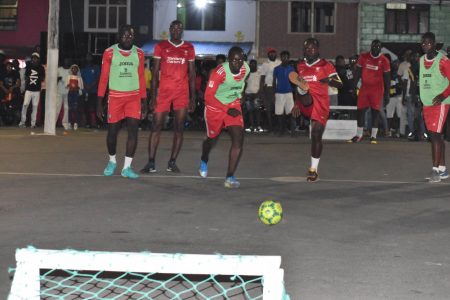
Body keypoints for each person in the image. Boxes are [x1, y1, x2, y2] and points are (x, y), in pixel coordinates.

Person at [140, 20, 196, 173]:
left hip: (182, 92)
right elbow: (155, 73)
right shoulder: (161, 47)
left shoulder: (189, 48)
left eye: (180, 28)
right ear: (170, 29)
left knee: (179, 128)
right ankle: (151, 162)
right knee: (156, 126)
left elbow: (192, 74)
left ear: (182, 30)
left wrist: (193, 97)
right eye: (174, 28)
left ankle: (172, 162)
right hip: (164, 92)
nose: (177, 30)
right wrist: (152, 96)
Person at [97, 24, 146, 179]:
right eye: (125, 35)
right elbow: (104, 78)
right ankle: (112, 161)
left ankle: (127, 167)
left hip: (134, 97)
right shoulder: (109, 53)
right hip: (115, 98)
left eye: (131, 35)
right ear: (118, 36)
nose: (128, 37)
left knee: (133, 131)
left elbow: (141, 78)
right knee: (112, 132)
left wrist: (144, 100)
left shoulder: (139, 53)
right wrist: (99, 101)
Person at [290, 38, 342, 182]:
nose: (310, 51)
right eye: (307, 48)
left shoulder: (326, 65)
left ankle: (313, 170)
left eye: (313, 48)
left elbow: (340, 84)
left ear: (318, 49)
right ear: (304, 50)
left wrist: (329, 80)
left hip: (321, 104)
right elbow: (296, 84)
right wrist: (296, 103)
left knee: (316, 134)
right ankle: (304, 93)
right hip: (306, 103)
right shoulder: (300, 66)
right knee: (303, 89)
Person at [198, 46, 250, 188]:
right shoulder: (218, 73)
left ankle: (230, 177)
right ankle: (204, 158)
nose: (237, 63)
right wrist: (226, 109)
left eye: (240, 60)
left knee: (238, 138)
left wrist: (241, 94)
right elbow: (208, 97)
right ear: (228, 60)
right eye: (233, 60)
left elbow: (241, 83)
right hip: (215, 108)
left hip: (233, 105)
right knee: (211, 140)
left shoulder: (246, 68)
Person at [419, 32, 450, 183]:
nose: (425, 45)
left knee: (435, 136)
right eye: (423, 43)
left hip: (440, 103)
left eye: (429, 43)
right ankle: (443, 170)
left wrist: (443, 95)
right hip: (427, 104)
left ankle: (435, 171)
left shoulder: (443, 61)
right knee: (435, 136)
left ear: (435, 43)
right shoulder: (420, 60)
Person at [348, 40, 390, 144]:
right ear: (371, 47)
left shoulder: (384, 60)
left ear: (381, 48)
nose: (376, 48)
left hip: (377, 89)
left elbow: (387, 78)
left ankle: (373, 136)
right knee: (360, 111)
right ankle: (358, 135)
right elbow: (357, 73)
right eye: (374, 46)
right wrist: (353, 87)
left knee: (375, 112)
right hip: (364, 88)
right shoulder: (363, 57)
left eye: (378, 47)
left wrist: (387, 93)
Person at [18, 52, 45, 128]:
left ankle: (33, 124)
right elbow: (26, 77)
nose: (34, 59)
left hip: (36, 90)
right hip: (29, 89)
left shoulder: (41, 67)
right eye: (33, 58)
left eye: (36, 58)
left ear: (38, 59)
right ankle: (22, 122)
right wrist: (24, 87)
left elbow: (43, 78)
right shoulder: (29, 66)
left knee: (35, 106)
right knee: (25, 104)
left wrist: (37, 77)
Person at [272, 50, 296, 136]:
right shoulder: (276, 69)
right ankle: (281, 130)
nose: (284, 58)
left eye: (286, 57)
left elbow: (295, 81)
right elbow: (274, 82)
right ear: (281, 58)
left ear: (288, 58)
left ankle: (292, 131)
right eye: (283, 57)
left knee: (291, 113)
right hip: (279, 93)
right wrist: (274, 94)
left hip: (289, 93)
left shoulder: (291, 69)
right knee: (279, 113)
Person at [259, 48, 280, 132]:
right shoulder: (265, 64)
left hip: (279, 88)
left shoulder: (279, 62)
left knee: (278, 108)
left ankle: (278, 126)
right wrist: (261, 91)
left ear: (276, 54)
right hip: (268, 88)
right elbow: (262, 78)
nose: (272, 55)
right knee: (269, 109)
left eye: (273, 53)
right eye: (270, 53)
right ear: (268, 55)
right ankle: (270, 127)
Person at [81, 53, 101, 128]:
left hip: (94, 91)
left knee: (92, 108)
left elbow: (98, 78)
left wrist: (91, 86)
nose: (88, 58)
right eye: (87, 57)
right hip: (85, 91)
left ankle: (94, 123)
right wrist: (86, 86)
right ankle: (86, 122)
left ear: (92, 58)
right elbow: (81, 78)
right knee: (84, 108)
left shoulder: (96, 67)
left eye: (89, 57)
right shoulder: (83, 68)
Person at [244, 59, 263, 133]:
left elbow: (261, 84)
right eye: (251, 64)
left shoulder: (259, 73)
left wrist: (259, 93)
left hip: (257, 94)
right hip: (248, 94)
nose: (252, 65)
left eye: (253, 64)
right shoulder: (247, 74)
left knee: (258, 111)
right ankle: (252, 126)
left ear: (256, 65)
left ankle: (258, 126)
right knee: (250, 111)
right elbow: (244, 83)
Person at [67, 64, 84, 130]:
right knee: (70, 108)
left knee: (76, 109)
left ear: (78, 70)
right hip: (70, 93)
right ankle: (69, 123)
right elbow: (66, 85)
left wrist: (77, 87)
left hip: (76, 94)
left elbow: (81, 88)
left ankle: (75, 123)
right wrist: (69, 85)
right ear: (71, 69)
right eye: (73, 68)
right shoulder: (68, 77)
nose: (74, 70)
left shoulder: (79, 78)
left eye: (76, 68)